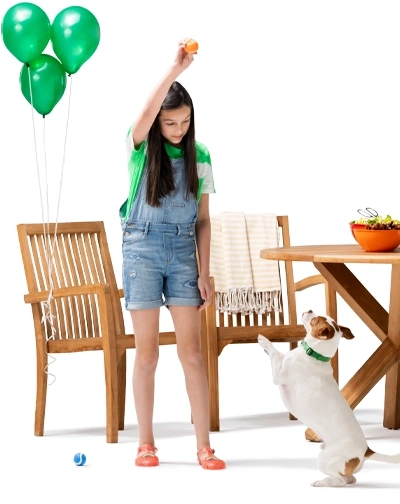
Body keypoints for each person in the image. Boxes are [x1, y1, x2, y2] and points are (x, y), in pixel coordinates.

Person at [120, 40, 224, 469]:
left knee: (192, 353)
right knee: (147, 353)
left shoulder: (201, 156)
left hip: (183, 251)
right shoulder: (142, 148)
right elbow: (144, 115)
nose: (178, 129)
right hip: (141, 248)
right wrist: (175, 70)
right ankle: (146, 443)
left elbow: (202, 219)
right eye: (170, 122)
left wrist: (205, 270)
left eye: (184, 122)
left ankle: (204, 446)